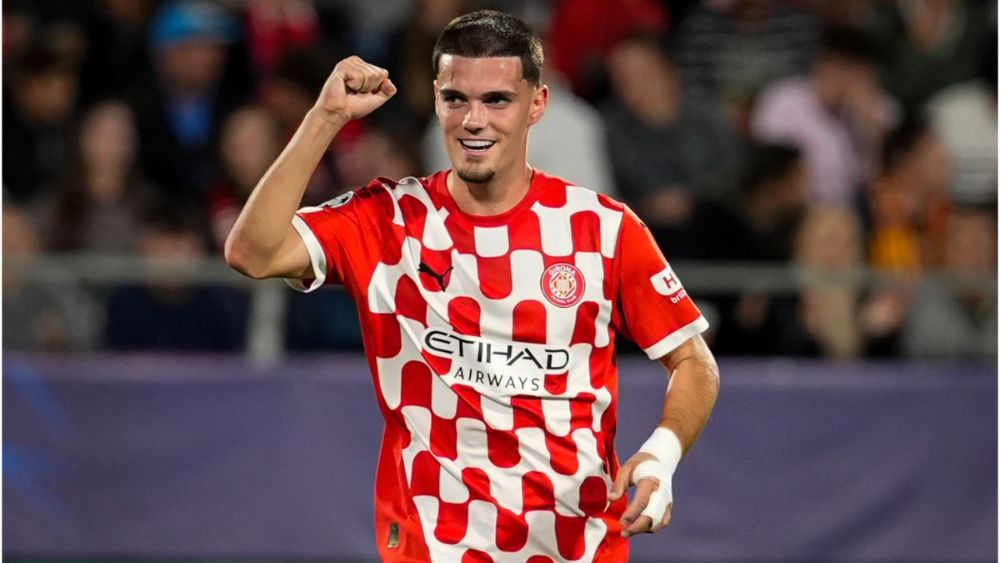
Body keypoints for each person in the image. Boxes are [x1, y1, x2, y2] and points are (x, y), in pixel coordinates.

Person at [225, 10, 719, 561]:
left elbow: (694, 361)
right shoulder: (388, 221)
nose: (473, 120)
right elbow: (253, 251)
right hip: (430, 545)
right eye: (456, 99)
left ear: (537, 104)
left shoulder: (603, 229)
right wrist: (325, 118)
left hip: (576, 545)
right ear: (436, 98)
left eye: (497, 101)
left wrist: (663, 452)